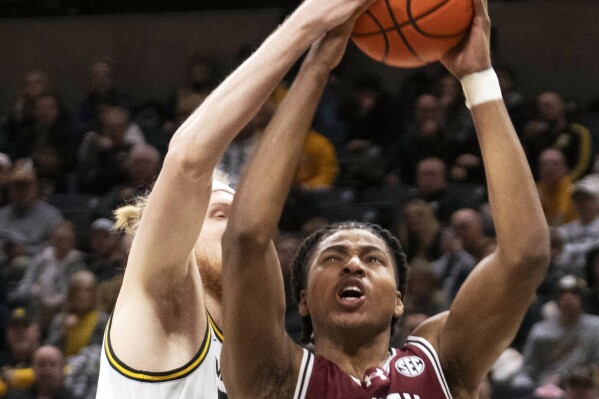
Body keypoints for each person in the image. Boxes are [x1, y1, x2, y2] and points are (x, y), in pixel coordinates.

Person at [220, 1, 550, 399]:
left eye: (373, 259)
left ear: (398, 301)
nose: (353, 264)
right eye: (332, 258)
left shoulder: (439, 360)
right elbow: (245, 239)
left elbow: (525, 256)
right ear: (303, 301)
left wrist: (478, 79)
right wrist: (317, 65)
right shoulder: (279, 377)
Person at [95, 0, 376, 397]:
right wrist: (307, 24)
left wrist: (318, 66)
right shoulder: (159, 310)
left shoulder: (263, 362)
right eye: (221, 213)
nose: (238, 227)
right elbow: (188, 161)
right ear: (182, 233)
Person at [5, 345, 74, 399]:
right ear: (33, 368)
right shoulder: (17, 397)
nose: (47, 371)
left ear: (62, 369)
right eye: (41, 365)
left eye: (52, 365)